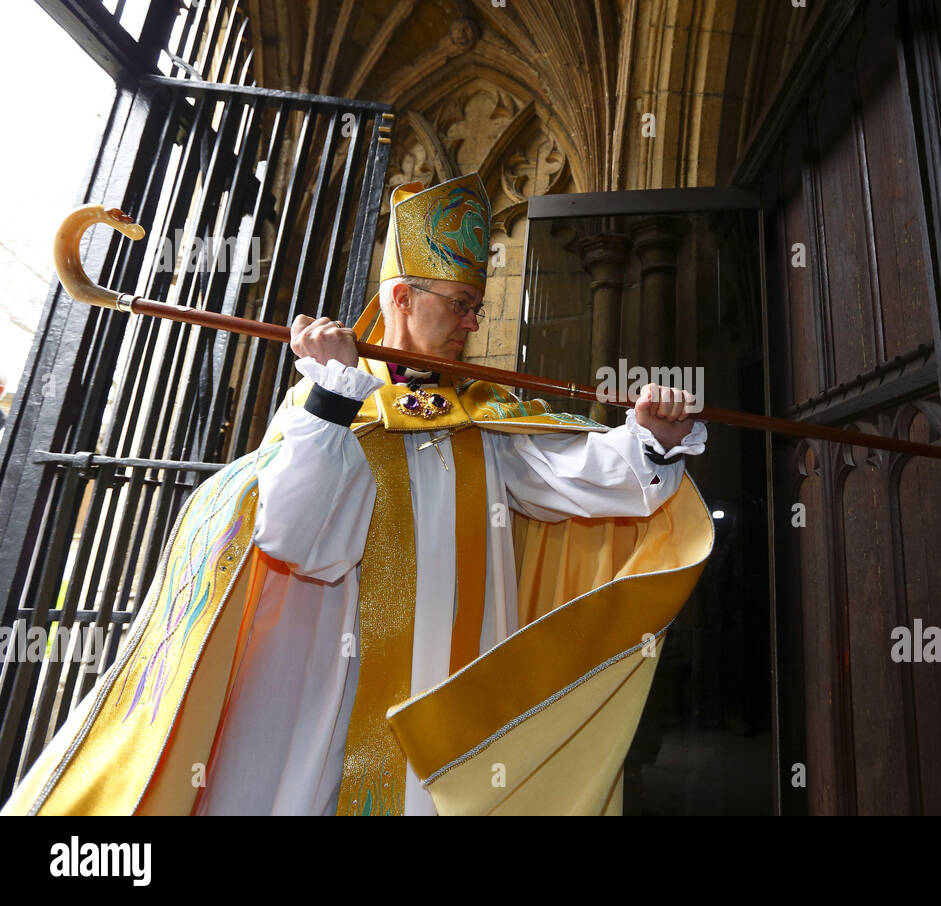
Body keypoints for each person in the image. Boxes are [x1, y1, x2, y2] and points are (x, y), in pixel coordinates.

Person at [1, 173, 713, 816]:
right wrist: (334, 398)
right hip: (333, 697)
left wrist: (646, 436)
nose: (473, 324)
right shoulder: (325, 408)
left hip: (459, 690)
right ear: (402, 296)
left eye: (476, 307)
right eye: (462, 305)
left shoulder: (482, 414)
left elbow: (577, 479)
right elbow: (303, 541)